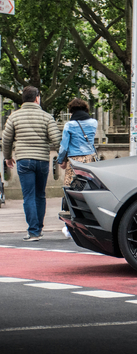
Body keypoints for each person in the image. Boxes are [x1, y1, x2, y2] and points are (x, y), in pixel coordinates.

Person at [2, 86, 62, 241]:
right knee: (40, 195)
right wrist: (62, 159)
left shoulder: (14, 117)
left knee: (28, 196)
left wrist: (8, 157)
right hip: (42, 159)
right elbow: (56, 140)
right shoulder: (47, 117)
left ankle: (33, 231)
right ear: (37, 98)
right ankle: (39, 228)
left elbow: (6, 139)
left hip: (23, 160)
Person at [58, 98, 99, 187]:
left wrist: (61, 160)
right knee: (89, 186)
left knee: (71, 187)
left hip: (74, 161)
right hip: (90, 159)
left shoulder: (69, 125)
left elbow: (63, 147)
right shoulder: (94, 123)